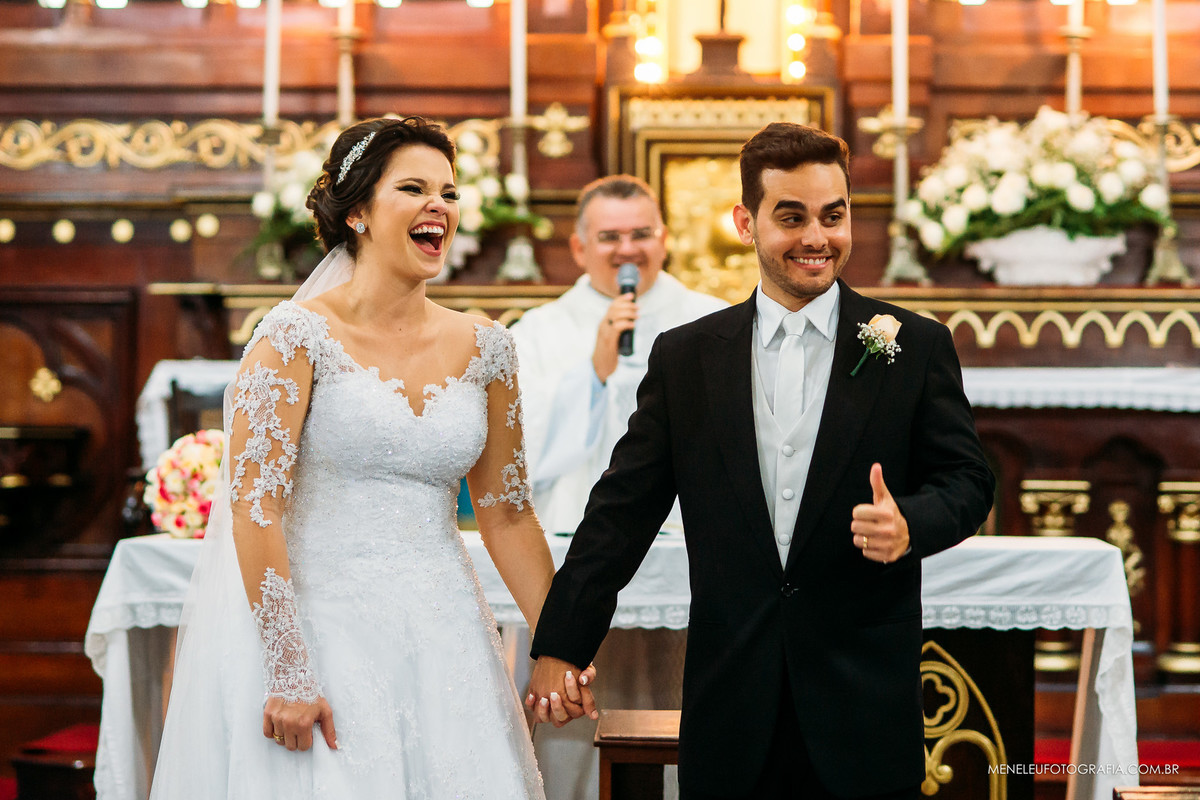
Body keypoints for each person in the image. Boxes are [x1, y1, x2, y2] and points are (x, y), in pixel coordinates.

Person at [526, 122, 995, 799]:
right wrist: (561, 645)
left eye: (834, 216)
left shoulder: (913, 347)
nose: (817, 238)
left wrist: (912, 524)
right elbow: (620, 513)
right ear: (746, 222)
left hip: (863, 697)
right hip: (732, 700)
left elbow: (969, 481)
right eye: (792, 216)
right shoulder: (688, 357)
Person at [150, 115, 594, 800]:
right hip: (323, 632)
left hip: (445, 635)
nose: (438, 207)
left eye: (448, 193)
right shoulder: (294, 338)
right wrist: (289, 666)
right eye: (414, 188)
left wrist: (557, 641)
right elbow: (255, 507)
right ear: (357, 210)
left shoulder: (487, 348)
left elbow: (507, 513)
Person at [511, 175, 727, 535]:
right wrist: (592, 375)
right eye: (610, 237)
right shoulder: (536, 333)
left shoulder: (714, 322)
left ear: (664, 241)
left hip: (692, 533)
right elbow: (518, 444)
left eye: (641, 234)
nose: (627, 250)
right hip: (578, 533)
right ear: (579, 249)